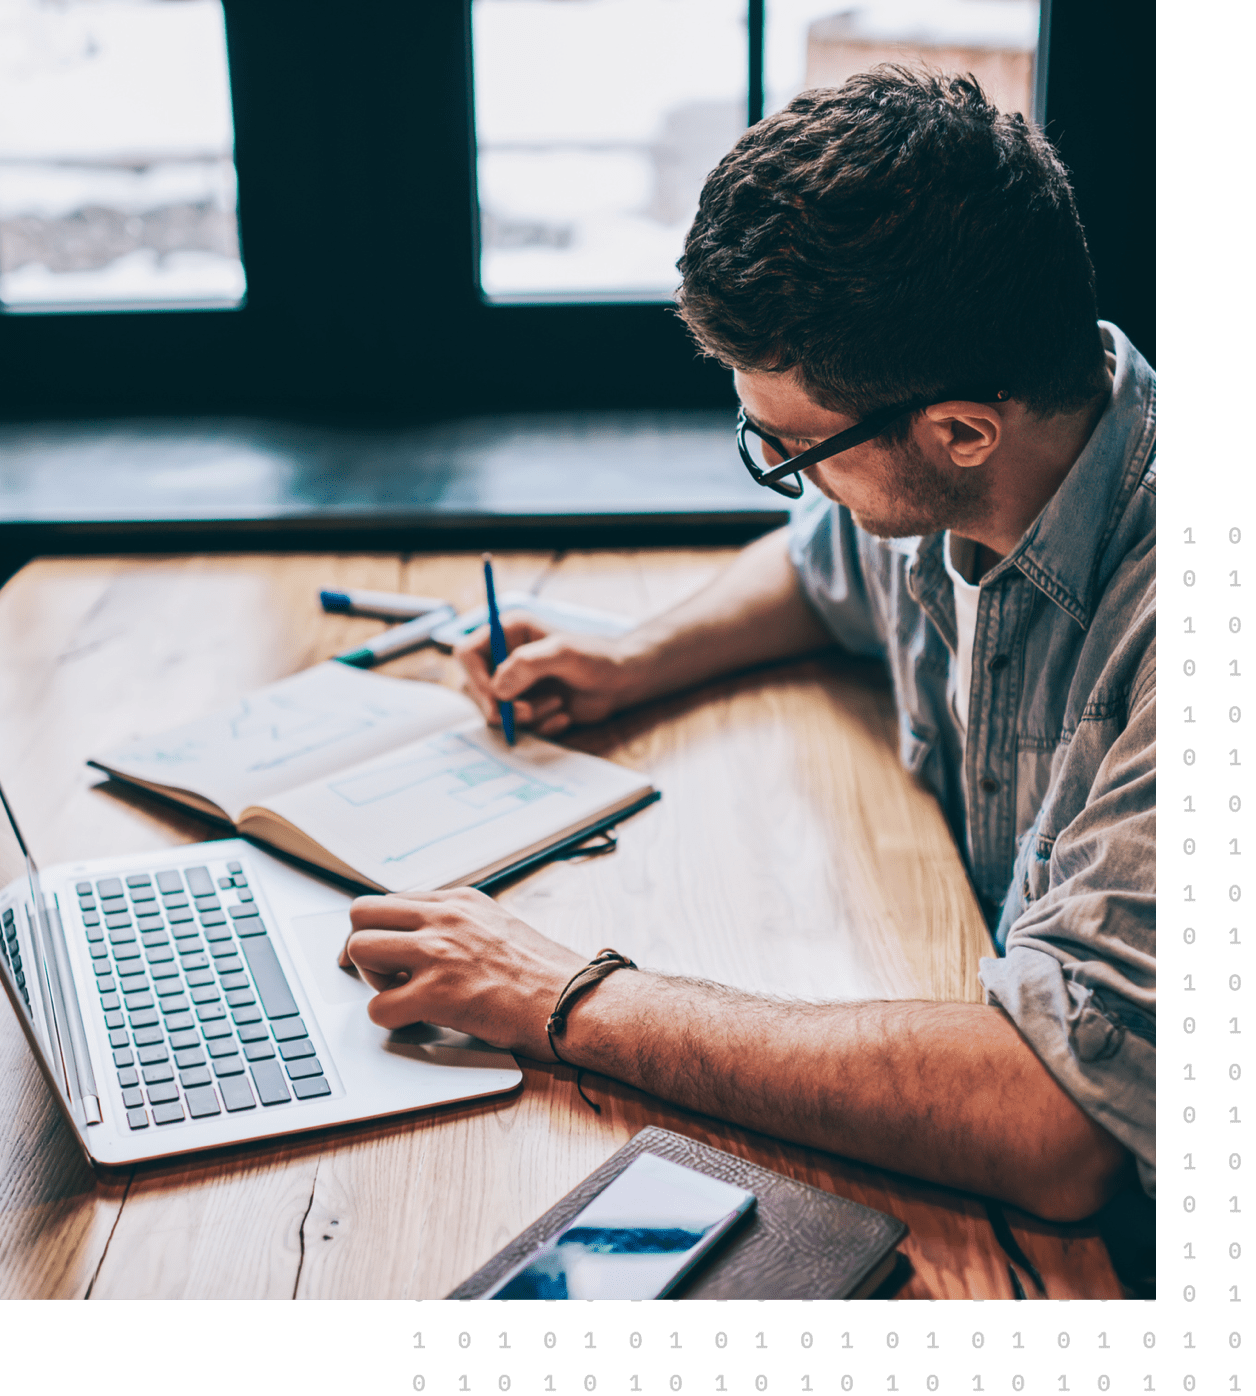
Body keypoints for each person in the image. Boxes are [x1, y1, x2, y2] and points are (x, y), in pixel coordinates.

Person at [341, 69, 1155, 1231]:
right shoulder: (975, 458)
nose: (787, 479)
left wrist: (559, 995)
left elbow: (1053, 1119)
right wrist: (633, 657)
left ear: (964, 430)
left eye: (790, 446)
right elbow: (823, 564)